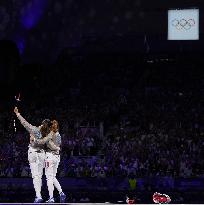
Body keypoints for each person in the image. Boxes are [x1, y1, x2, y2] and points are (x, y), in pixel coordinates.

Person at [14, 107, 54, 203]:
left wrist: (17, 113)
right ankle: (39, 196)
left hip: (33, 153)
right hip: (42, 155)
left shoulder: (34, 129)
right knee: (39, 176)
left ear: (42, 124)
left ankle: (38, 196)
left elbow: (24, 122)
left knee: (36, 176)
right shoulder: (48, 134)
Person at [33, 120, 66, 203]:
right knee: (53, 176)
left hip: (50, 156)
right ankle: (61, 192)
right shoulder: (58, 134)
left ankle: (51, 198)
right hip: (57, 157)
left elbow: (44, 142)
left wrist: (35, 140)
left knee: (49, 177)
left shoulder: (50, 134)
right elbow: (59, 145)